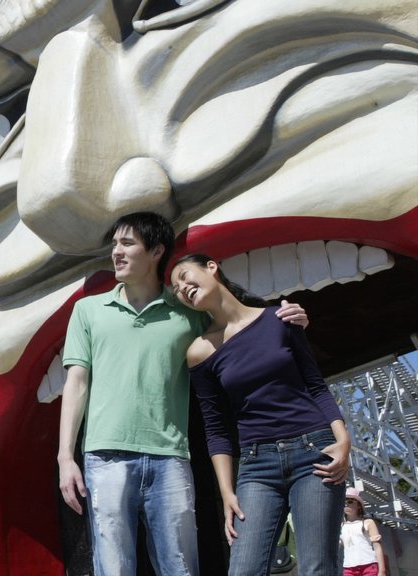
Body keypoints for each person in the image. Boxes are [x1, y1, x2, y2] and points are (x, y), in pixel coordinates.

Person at [57, 212, 308, 575]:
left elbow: (238, 323)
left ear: (156, 250)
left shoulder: (187, 314)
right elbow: (76, 382)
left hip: (171, 458)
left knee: (181, 568)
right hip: (104, 457)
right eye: (114, 245)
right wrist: (66, 457)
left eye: (127, 243)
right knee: (112, 569)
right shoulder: (88, 310)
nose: (116, 252)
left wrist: (282, 317)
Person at [170, 253, 350, 576]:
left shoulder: (280, 318)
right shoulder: (200, 351)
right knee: (243, 570)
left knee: (317, 567)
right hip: (257, 467)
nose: (182, 288)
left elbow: (315, 385)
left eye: (184, 276)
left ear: (212, 267)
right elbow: (216, 429)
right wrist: (226, 492)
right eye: (176, 289)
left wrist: (343, 439)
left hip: (315, 452)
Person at [341, 487, 387, 576]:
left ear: (359, 505)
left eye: (350, 502)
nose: (346, 504)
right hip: (348, 567)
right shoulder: (341, 526)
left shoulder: (368, 522)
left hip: (369, 565)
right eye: (344, 502)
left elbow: (377, 547)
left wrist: (382, 571)